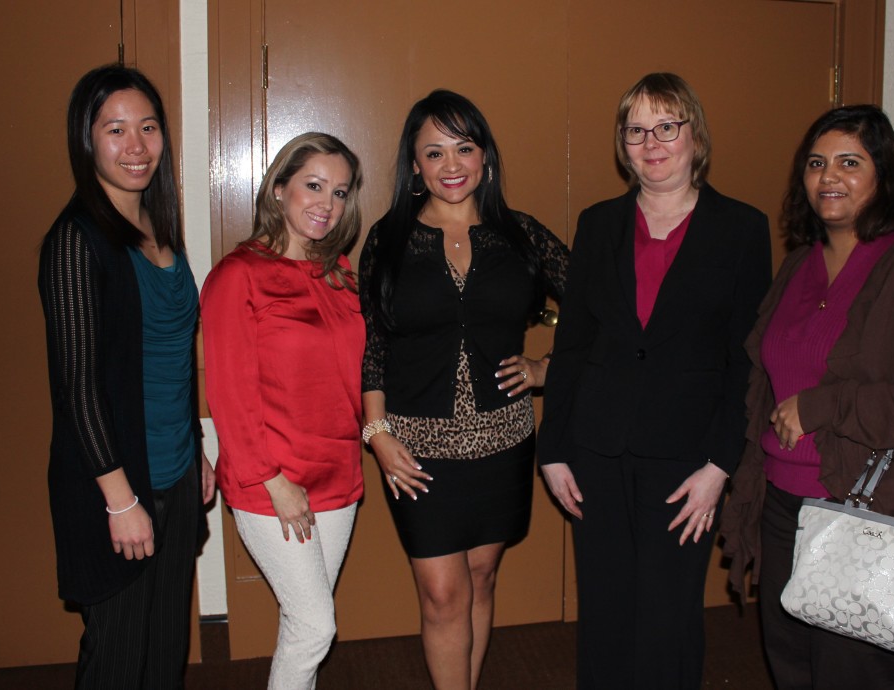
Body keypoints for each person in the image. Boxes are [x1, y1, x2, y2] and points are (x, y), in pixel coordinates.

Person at [719, 105, 894, 690]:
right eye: (816, 164)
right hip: (784, 507)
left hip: (868, 515)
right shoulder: (797, 266)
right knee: (792, 668)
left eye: (849, 162)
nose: (828, 176)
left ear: (883, 177)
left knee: (854, 676)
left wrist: (824, 405)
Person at [538, 72, 772, 689]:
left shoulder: (742, 229)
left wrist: (722, 466)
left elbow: (745, 361)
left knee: (668, 619)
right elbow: (572, 348)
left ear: (694, 134)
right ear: (623, 143)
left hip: (688, 462)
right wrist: (554, 448)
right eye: (637, 130)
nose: (653, 142)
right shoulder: (598, 225)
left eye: (667, 126)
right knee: (606, 614)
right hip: (597, 451)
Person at [358, 89, 568, 690]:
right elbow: (371, 341)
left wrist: (544, 369)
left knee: (481, 578)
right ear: (415, 166)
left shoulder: (520, 234)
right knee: (442, 592)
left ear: (485, 157)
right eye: (434, 152)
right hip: (415, 450)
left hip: (503, 442)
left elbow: (598, 305)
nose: (452, 165)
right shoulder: (390, 239)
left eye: (464, 147)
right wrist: (377, 435)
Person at [38, 64, 215, 689]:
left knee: (164, 653)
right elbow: (78, 390)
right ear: (87, 141)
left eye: (148, 127)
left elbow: (170, 362)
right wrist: (123, 502)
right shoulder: (75, 241)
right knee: (116, 662)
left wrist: (197, 454)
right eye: (115, 130)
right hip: (117, 486)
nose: (136, 146)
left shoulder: (161, 230)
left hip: (175, 470)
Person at [201, 132, 365, 689]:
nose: (327, 204)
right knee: (316, 626)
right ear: (278, 189)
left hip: (338, 474)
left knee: (303, 625)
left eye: (340, 192)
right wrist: (273, 480)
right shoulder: (237, 275)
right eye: (313, 186)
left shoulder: (340, 273)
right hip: (271, 480)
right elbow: (228, 394)